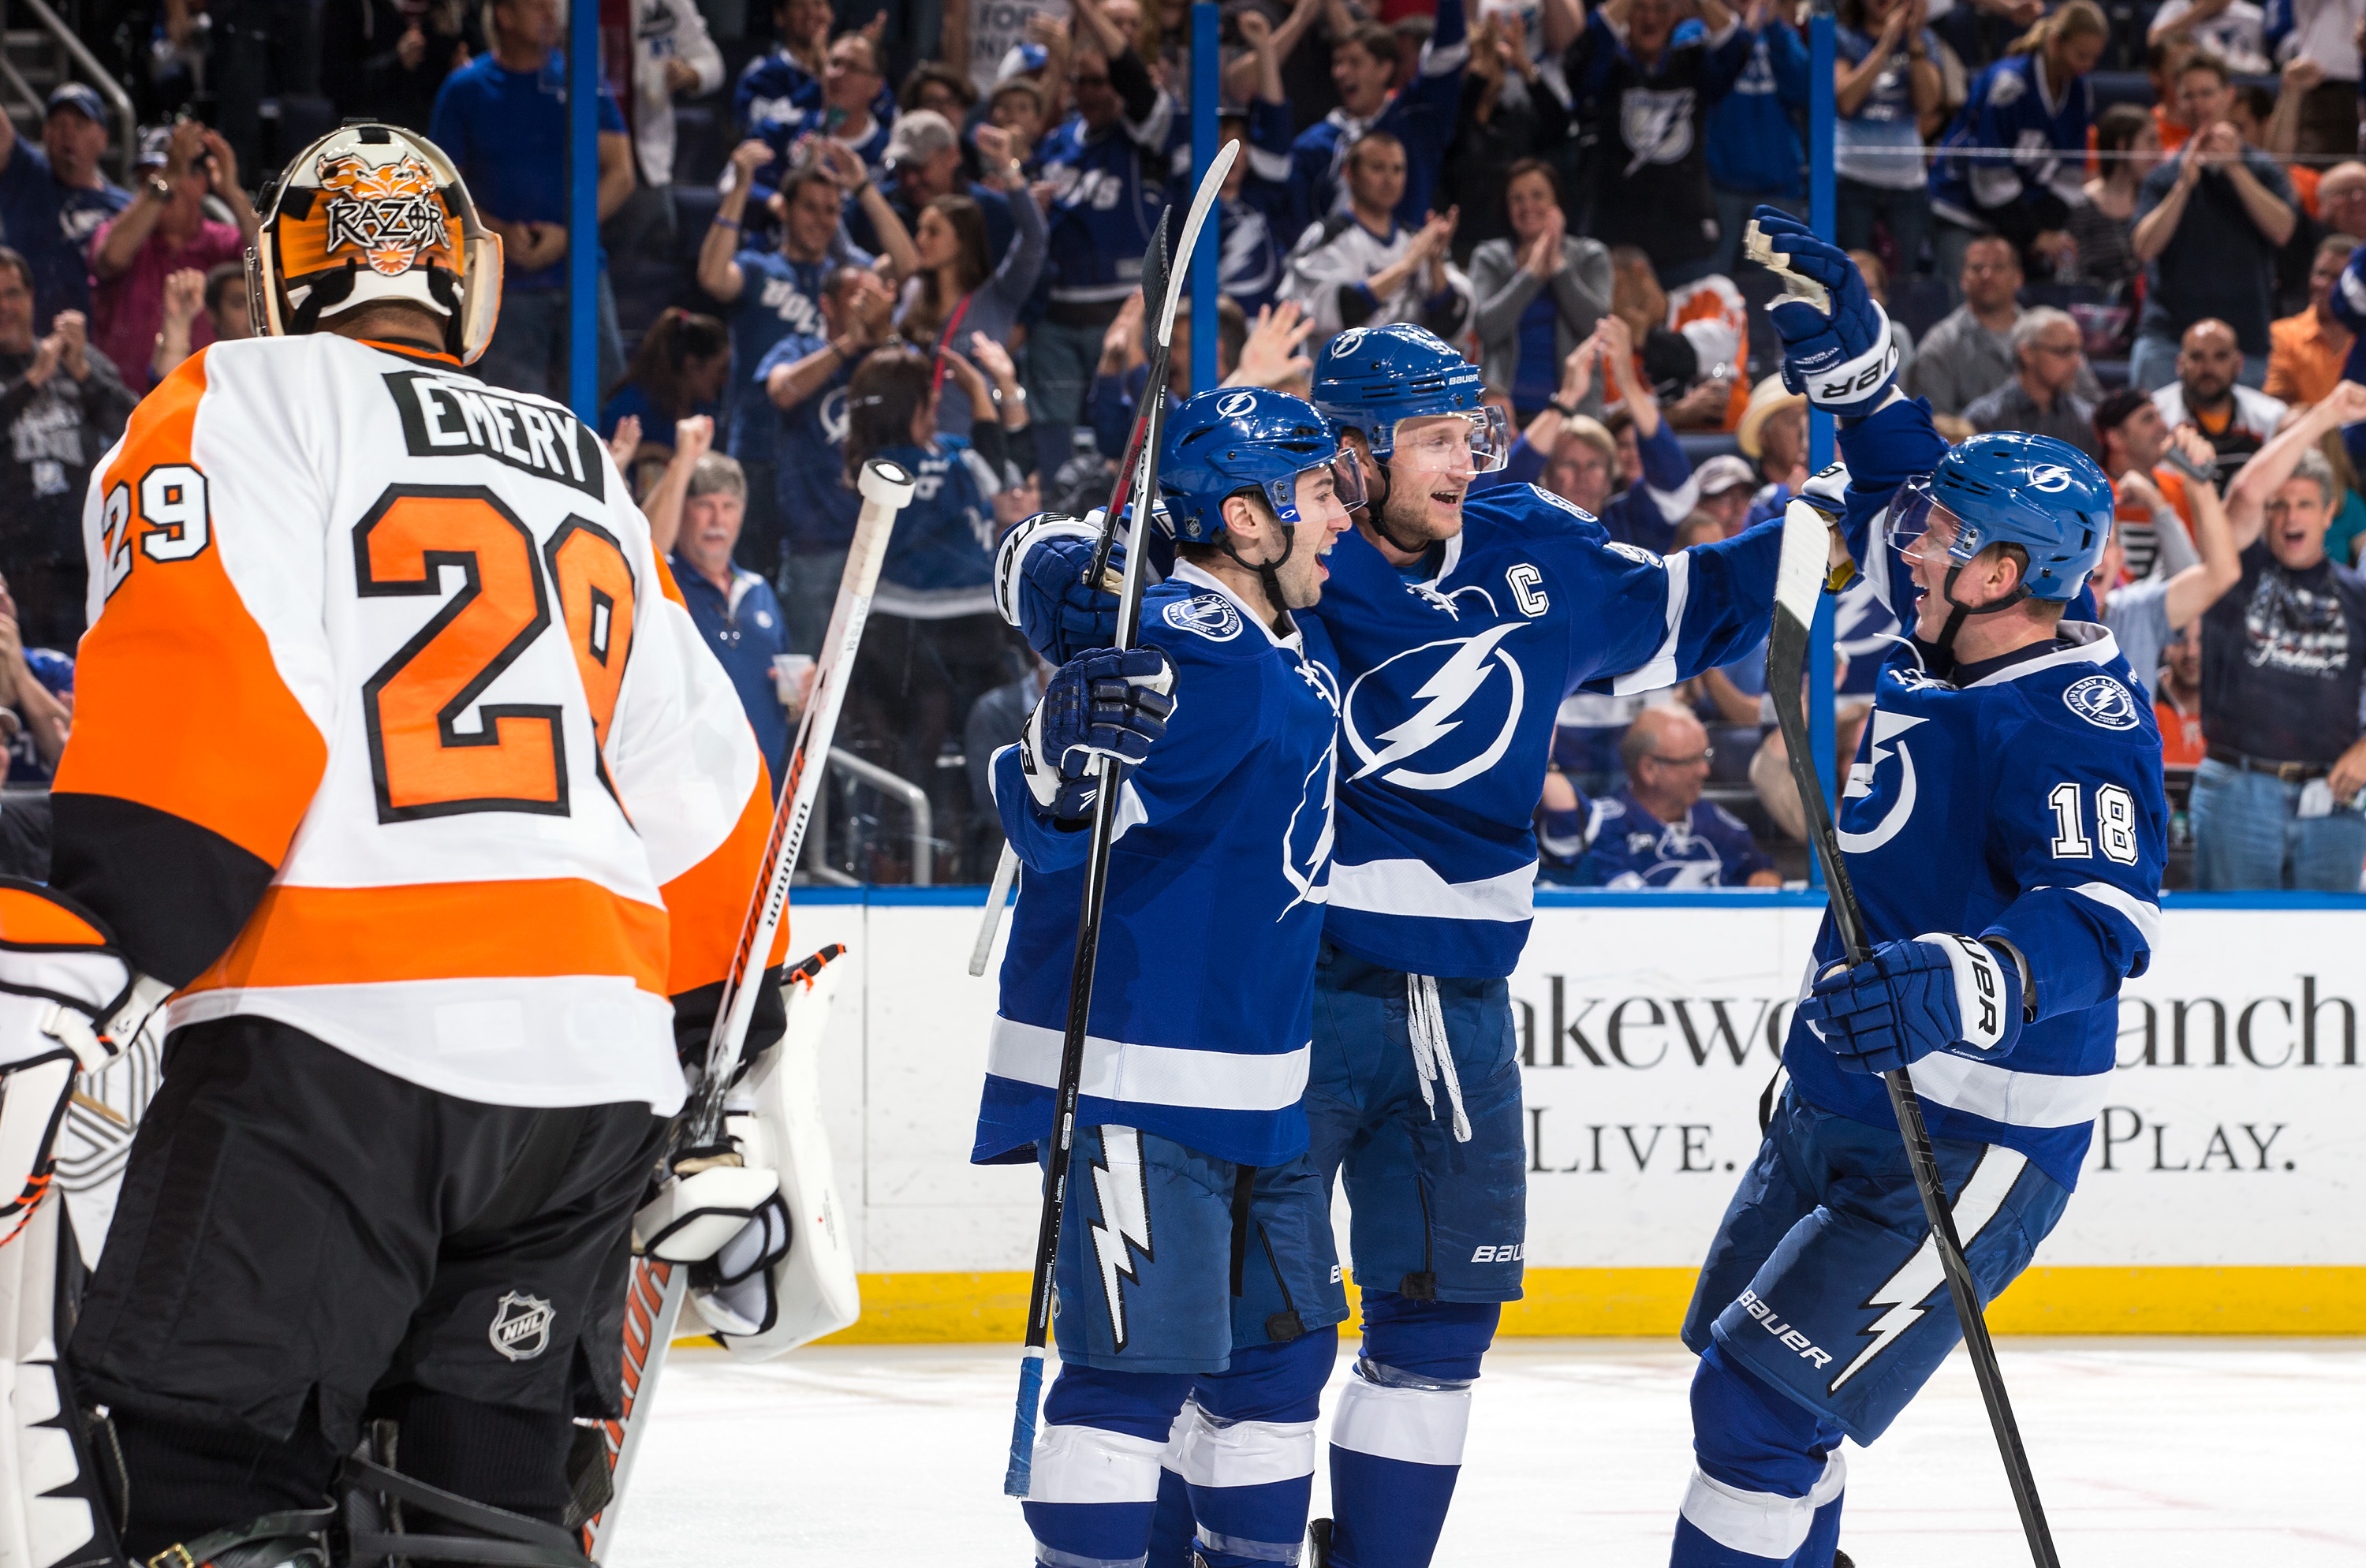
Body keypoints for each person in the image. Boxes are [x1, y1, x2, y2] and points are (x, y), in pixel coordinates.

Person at [32, 121, 788, 1568]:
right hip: (586, 1082)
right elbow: (706, 804)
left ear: (283, 278)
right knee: (485, 1504)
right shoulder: (579, 462)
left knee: (202, 1477)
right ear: (467, 282)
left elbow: (213, 714)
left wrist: (111, 949)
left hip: (331, 1044)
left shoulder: (233, 397)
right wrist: (724, 1049)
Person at [1008, 319, 1823, 1568]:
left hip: (1466, 1004)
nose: (1467, 460)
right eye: (1436, 438)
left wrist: (1849, 515)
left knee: (1441, 1331)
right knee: (1248, 1343)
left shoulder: (1528, 541)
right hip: (1294, 991)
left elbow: (1696, 604)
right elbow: (1065, 561)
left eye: (1471, 431)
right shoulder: (1281, 544)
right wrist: (1069, 581)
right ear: (1349, 454)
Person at [1670, 217, 2165, 1568]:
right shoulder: (1952, 617)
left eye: (1947, 538)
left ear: (2006, 575)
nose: (1911, 543)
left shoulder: (2074, 715)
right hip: (1846, 1091)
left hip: (1973, 1134)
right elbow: (1897, 468)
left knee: (1756, 1411)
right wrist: (1858, 366)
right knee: (1756, 1395)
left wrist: (1965, 977)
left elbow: (2106, 920)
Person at [980, 388, 1357, 1568]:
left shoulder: (1278, 637)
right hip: (1144, 1081)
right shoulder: (1195, 644)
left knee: (1280, 1364)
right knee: (1130, 1381)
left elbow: (1051, 566)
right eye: (1319, 493)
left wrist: (1063, 571)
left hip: (1260, 1086)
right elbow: (1066, 818)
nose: (1341, 514)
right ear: (1246, 519)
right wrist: (1060, 750)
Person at [836, 344, 1014, 877]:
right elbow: (995, 475)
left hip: (965, 626)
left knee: (985, 741)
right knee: (922, 749)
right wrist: (979, 398)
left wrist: (982, 394)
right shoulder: (887, 469)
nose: (936, 402)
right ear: (905, 405)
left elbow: (1001, 477)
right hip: (913, 632)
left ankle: (972, 858)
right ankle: (909, 860)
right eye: (926, 397)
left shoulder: (944, 452)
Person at [700, 144, 915, 581]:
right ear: (785, 210)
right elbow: (713, 277)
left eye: (832, 210)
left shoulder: (848, 276)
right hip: (758, 445)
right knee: (751, 576)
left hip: (821, 455)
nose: (821, 220)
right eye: (810, 208)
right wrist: (741, 188)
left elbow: (908, 264)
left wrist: (863, 187)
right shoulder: (759, 268)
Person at [2193, 381, 2366, 889]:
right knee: (2231, 937)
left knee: (2330, 940)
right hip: (2238, 791)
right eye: (2279, 505)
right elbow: (2247, 492)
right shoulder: (2234, 570)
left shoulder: (2359, 594)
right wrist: (2327, 414)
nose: (2291, 517)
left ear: (2330, 513)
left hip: (2333, 801)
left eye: (2305, 504)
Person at [429, 0, 636, 402]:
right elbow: (441, 190)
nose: (551, 15)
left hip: (580, 275)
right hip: (506, 283)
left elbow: (621, 173)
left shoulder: (579, 79)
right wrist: (498, 232)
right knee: (513, 412)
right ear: (504, 15)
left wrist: (570, 234)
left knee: (606, 405)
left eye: (553, 5)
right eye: (538, 6)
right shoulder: (465, 89)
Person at [1028, 0, 1178, 473]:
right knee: (1052, 435)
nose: (1090, 92)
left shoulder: (1144, 134)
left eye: (1100, 82)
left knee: (1124, 435)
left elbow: (1134, 80)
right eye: (1081, 81)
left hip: (1119, 309)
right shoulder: (1057, 143)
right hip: (1056, 316)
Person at [2126, 53, 2295, 396]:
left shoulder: (2262, 169)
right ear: (2177, 102)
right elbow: (2144, 247)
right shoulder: (2163, 175)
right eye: (2188, 95)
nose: (2198, 104)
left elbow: (2282, 230)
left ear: (2228, 96)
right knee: (2152, 431)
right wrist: (2183, 186)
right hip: (2168, 341)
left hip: (2244, 343)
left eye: (2207, 93)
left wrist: (2234, 169)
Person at [0, 246, 139, 649]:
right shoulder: (40, 368)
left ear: (31, 297)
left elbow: (133, 426)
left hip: (86, 557)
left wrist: (82, 372)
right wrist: (31, 382)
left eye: (12, 293)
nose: (4, 307)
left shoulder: (78, 360)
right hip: (13, 568)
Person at [756, 263, 899, 652]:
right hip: (814, 547)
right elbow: (782, 391)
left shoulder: (890, 356)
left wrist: (885, 331)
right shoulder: (800, 347)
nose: (864, 307)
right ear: (827, 304)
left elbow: (920, 402)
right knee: (806, 668)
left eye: (871, 298)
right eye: (855, 297)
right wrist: (847, 344)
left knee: (877, 675)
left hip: (884, 545)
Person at [1566, 0, 1754, 284]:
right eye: (1640, 7)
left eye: (1661, 8)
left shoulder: (1693, 65)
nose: (1650, 18)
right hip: (1617, 239)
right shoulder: (1606, 70)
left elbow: (1735, 46)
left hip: (1686, 241)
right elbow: (1582, 58)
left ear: (1675, 15)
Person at [1926, 0, 2106, 288]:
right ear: (2056, 43)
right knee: (1965, 293)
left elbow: (2069, 177)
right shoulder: (2009, 85)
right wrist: (2034, 235)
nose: (2087, 66)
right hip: (1961, 206)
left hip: (2020, 216)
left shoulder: (2080, 95)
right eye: (2081, 55)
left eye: (2094, 58)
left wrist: (2043, 233)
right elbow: (1990, 177)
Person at [894, 123, 1045, 439]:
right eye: (920, 230)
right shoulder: (913, 295)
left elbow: (1034, 238)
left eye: (933, 232)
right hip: (916, 446)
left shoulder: (998, 297)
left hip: (975, 448)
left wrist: (1009, 170)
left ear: (962, 241)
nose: (920, 240)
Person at [87, 121, 259, 394]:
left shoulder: (222, 241)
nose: (160, 187)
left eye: (174, 174)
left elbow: (267, 261)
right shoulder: (119, 233)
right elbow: (111, 258)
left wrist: (232, 192)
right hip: (124, 405)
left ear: (200, 184)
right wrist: (169, 176)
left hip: (208, 401)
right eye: (149, 181)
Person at [1287, 0, 1468, 237]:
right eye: (1337, 62)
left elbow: (1449, 54)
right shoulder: (1312, 145)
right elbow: (1296, 229)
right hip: (1337, 260)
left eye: (1355, 62)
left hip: (1410, 255)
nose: (1341, 72)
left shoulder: (1417, 118)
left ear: (1385, 69)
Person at [2088, 423, 2244, 698]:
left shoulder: (2138, 611)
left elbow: (2221, 574)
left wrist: (2199, 482)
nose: (2097, 557)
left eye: (2106, 544)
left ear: (2121, 557)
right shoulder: (2033, 619)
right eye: (2087, 543)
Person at [670, 450, 797, 782]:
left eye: (729, 506)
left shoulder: (760, 591)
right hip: (687, 788)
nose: (718, 520)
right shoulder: (663, 584)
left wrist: (802, 697)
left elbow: (784, 697)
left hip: (762, 793)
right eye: (704, 505)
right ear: (680, 508)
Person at [1279, 132, 1474, 342]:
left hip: (1406, 362)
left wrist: (1435, 263)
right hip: (1344, 362)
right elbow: (1324, 316)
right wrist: (1404, 267)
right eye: (1378, 168)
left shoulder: (1417, 240)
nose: (1389, 180)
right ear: (1349, 174)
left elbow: (1451, 324)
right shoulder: (1327, 236)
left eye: (1397, 169)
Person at [1468, 160, 1613, 423]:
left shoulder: (1591, 256)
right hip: (1505, 413)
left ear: (1557, 203)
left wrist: (1558, 268)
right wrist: (1531, 276)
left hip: (1576, 414)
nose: (1527, 207)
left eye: (1537, 196)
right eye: (1517, 199)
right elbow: (1487, 328)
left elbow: (1596, 326)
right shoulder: (1489, 258)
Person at [1576, 707, 1779, 887]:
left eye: (1706, 756)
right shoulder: (1600, 824)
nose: (1704, 771)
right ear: (1648, 769)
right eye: (1691, 761)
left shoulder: (1717, 822)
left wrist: (1765, 878)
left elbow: (1763, 872)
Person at [0, 84, 129, 336]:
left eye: (80, 125)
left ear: (103, 138)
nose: (68, 133)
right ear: (45, 133)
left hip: (98, 347)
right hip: (25, 343)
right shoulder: (27, 177)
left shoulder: (125, 209)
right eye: (58, 124)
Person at [1833, 0, 1942, 274]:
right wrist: (1886, 43)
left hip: (1906, 182)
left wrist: (1913, 41)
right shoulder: (1844, 36)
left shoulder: (1924, 40)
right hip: (1853, 177)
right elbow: (1846, 102)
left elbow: (1929, 103)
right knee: (1851, 275)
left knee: (1903, 279)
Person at [1706, 0, 1812, 280]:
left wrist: (1774, 29)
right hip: (1717, 189)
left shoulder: (1784, 36)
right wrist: (1743, 34)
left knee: (1774, 295)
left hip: (1778, 193)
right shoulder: (1699, 31)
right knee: (1712, 290)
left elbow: (1804, 91)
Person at [612, 0, 725, 261]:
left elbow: (712, 64)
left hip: (645, 167)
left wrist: (688, 74)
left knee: (649, 275)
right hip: (572, 160)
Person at [2151, 318, 2290, 488]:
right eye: (2197, 357)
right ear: (2180, 364)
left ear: (2238, 363)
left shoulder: (2271, 415)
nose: (2208, 368)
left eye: (2221, 357)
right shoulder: (2155, 415)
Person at [1965, 305, 2100, 459]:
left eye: (2078, 351)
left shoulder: (2087, 422)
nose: (2077, 362)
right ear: (2027, 354)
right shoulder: (1985, 420)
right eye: (2064, 351)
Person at [2067, 103, 2159, 303]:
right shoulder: (2082, 205)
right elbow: (2076, 276)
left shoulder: (2154, 202)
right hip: (2099, 309)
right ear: (2122, 145)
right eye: (2150, 141)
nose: (2158, 151)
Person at [2267, 232, 2362, 407]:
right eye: (2320, 273)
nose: (2322, 284)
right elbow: (2276, 408)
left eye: (2336, 277)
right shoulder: (2281, 334)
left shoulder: (2363, 338)